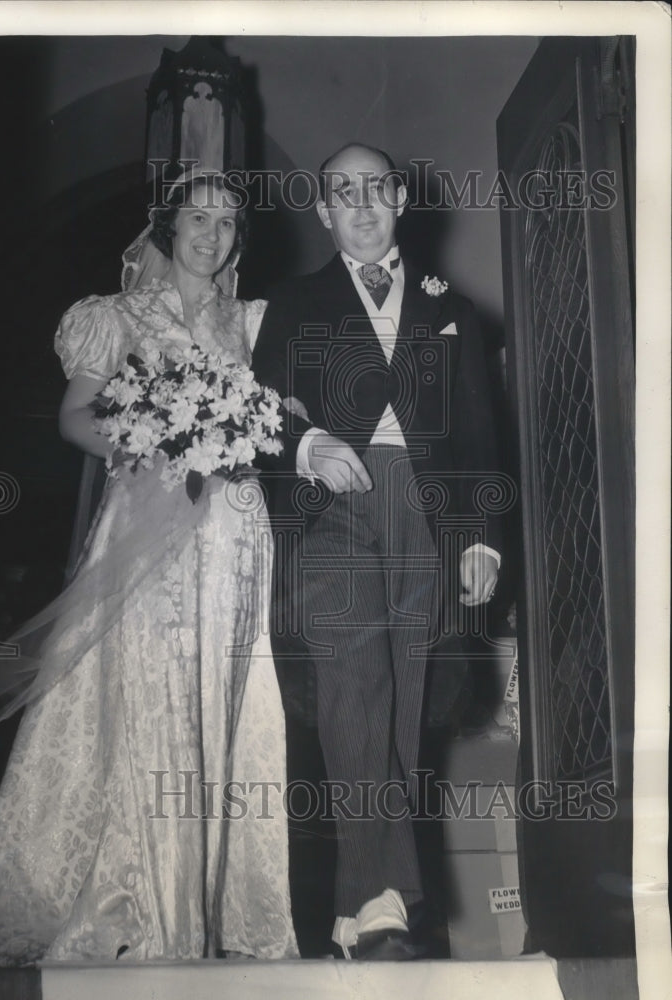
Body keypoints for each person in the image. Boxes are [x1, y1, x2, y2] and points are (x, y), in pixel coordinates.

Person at [0, 172, 299, 965]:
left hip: (234, 534)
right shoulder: (117, 316)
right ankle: (148, 905)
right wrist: (152, 443)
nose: (210, 234)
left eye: (226, 222)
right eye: (196, 218)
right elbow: (76, 417)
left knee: (223, 696)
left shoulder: (253, 322)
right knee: (149, 695)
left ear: (239, 240)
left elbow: (282, 416)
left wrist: (247, 437)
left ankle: (217, 904)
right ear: (169, 227)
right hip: (148, 525)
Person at [252, 143, 503, 961]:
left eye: (375, 189)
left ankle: (359, 901)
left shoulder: (452, 308)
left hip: (423, 511)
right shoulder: (295, 301)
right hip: (332, 506)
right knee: (351, 683)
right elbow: (257, 411)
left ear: (399, 198)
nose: (360, 206)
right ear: (323, 212)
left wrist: (482, 538)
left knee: (402, 698)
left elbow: (479, 435)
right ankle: (385, 900)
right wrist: (308, 443)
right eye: (342, 193)